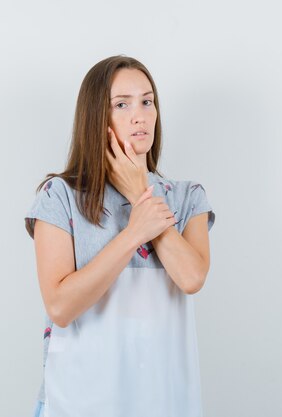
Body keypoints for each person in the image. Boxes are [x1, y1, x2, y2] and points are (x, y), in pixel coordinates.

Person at [24, 55, 216, 417]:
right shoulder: (59, 196)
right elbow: (61, 307)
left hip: (162, 400)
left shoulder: (188, 197)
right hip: (80, 401)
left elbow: (192, 278)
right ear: (97, 117)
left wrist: (139, 195)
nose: (139, 115)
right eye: (122, 104)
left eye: (147, 101)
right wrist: (134, 234)